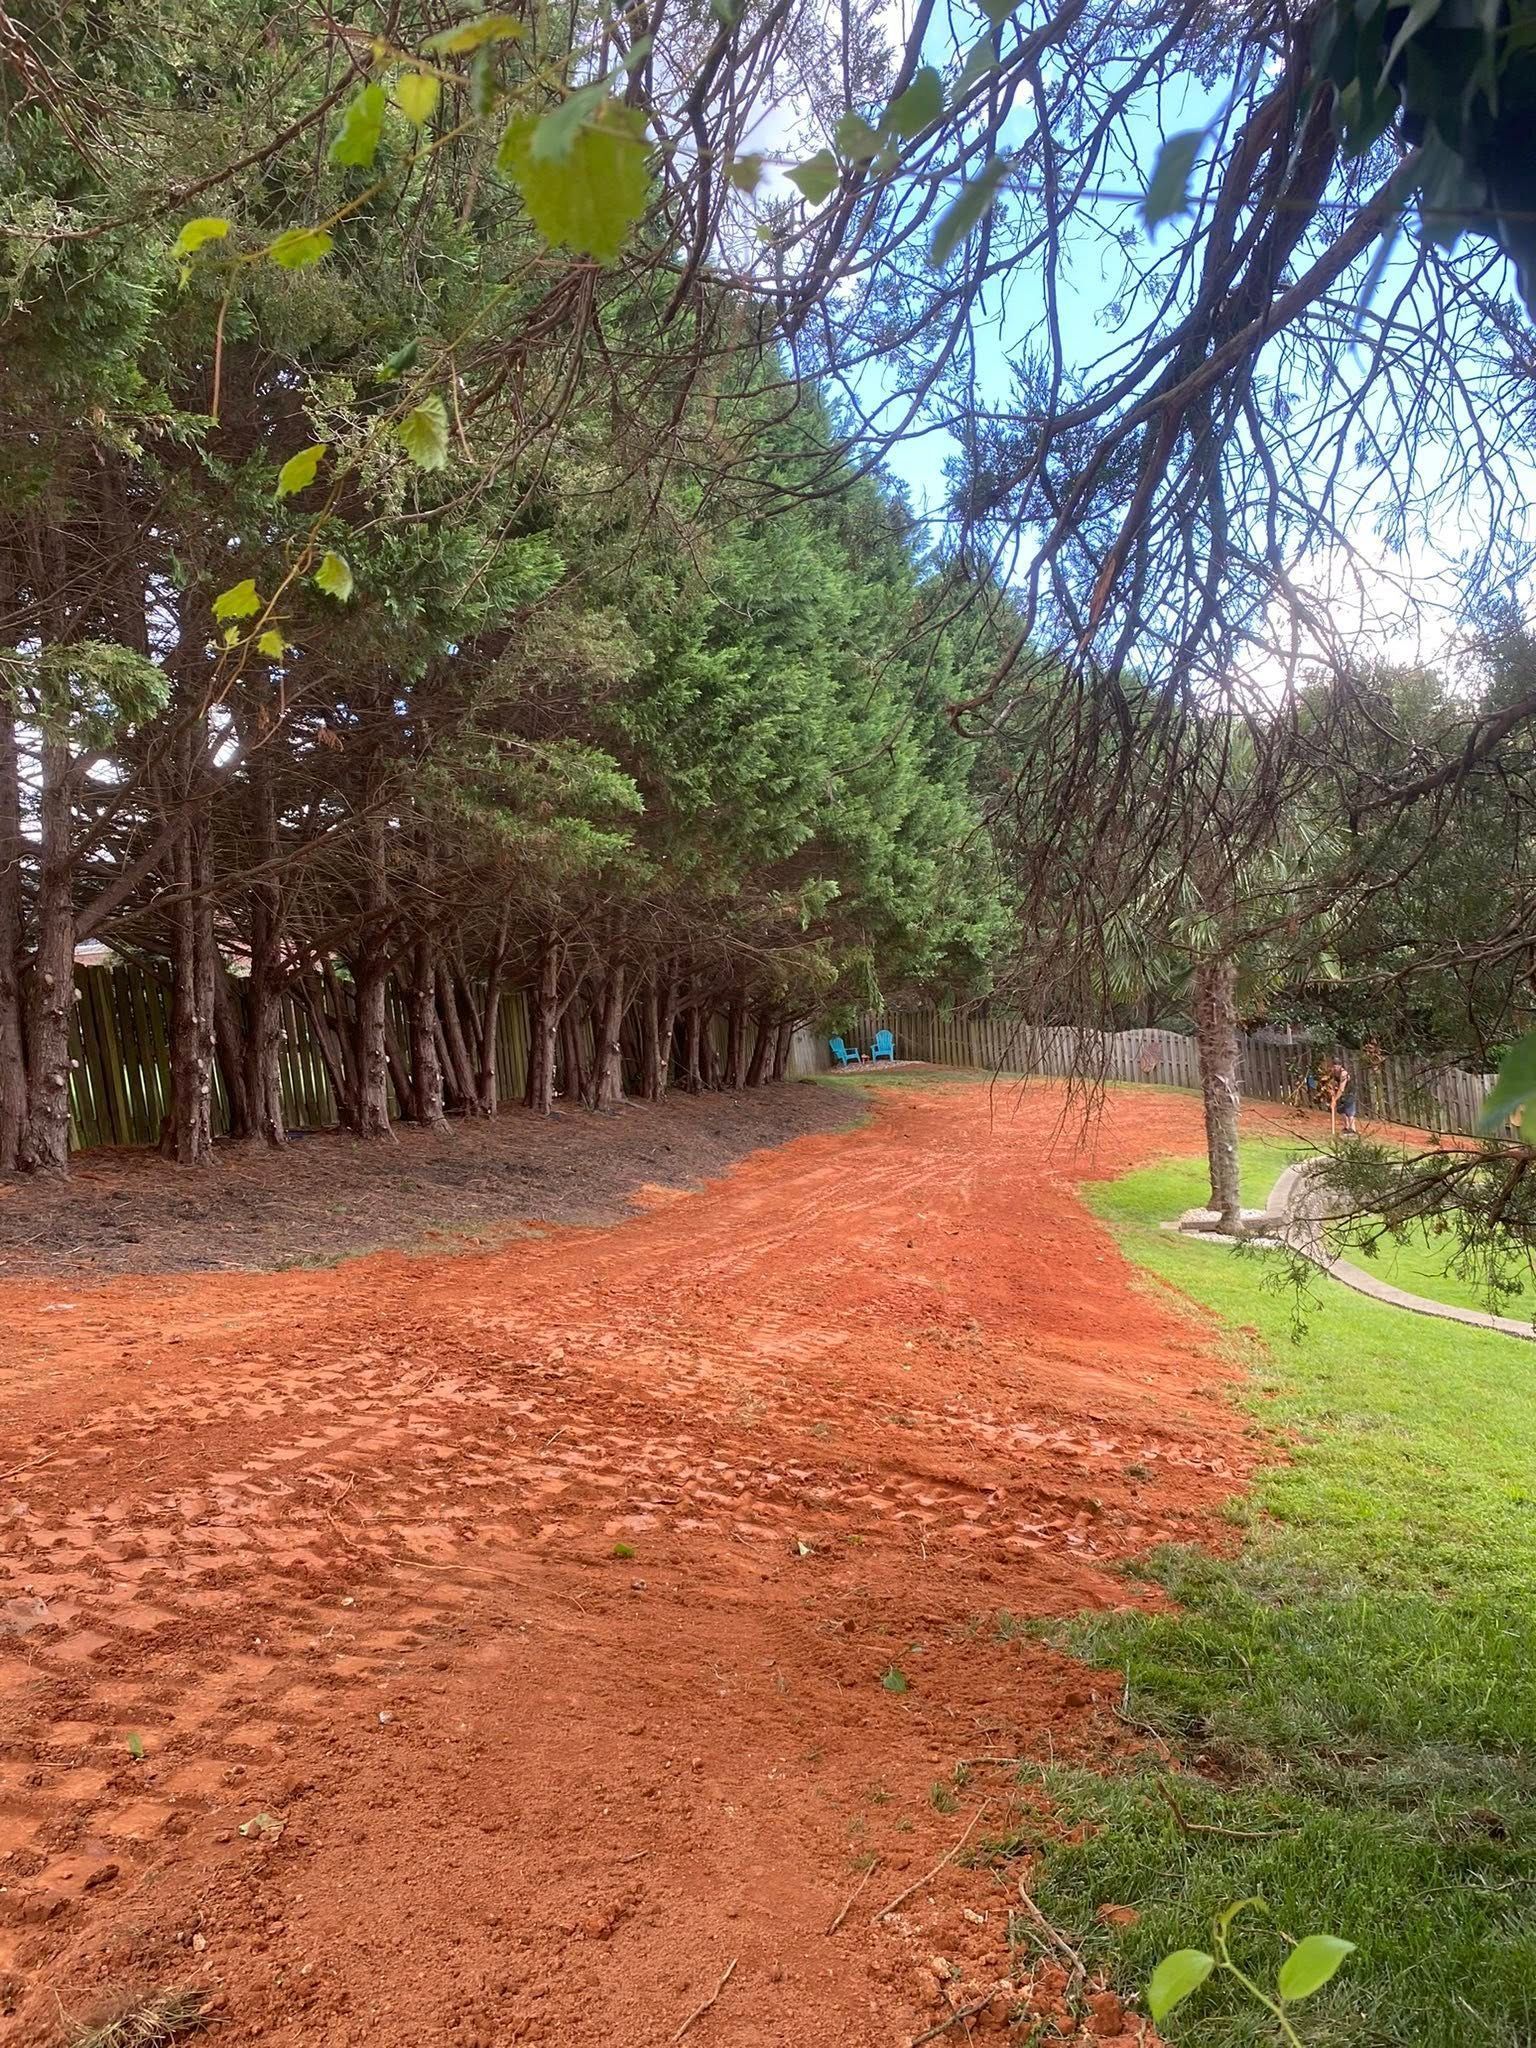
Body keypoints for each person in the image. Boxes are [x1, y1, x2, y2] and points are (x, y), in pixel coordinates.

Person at [1323, 1055, 1357, 1135]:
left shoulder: (1344, 1073)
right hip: (1340, 1093)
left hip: (1349, 1092)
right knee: (1341, 1110)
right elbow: (1330, 1081)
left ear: (1340, 1066)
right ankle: (1346, 1127)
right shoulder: (1333, 1073)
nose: (1335, 1068)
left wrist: (1334, 1100)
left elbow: (1342, 1089)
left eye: (1337, 1066)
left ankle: (1353, 1129)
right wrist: (1331, 1090)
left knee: (1349, 1110)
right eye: (1334, 1066)